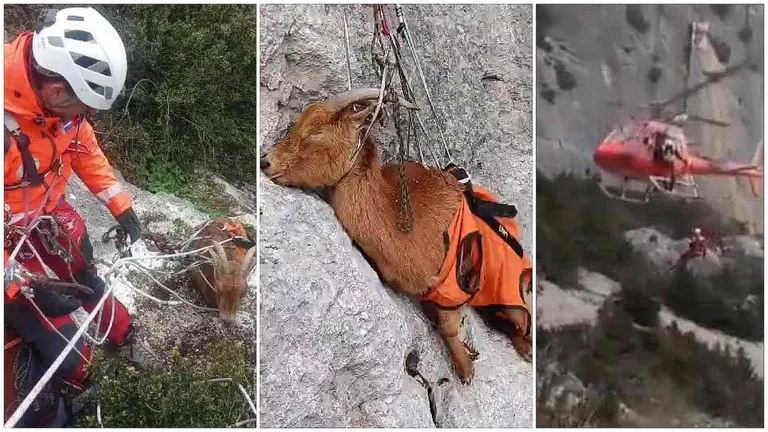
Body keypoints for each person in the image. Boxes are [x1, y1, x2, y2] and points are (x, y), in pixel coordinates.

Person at [3, 7, 148, 421]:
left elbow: (82, 146)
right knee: (64, 344)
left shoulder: (56, 112)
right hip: (8, 246)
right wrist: (21, 287)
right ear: (53, 89)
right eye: (81, 105)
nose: (84, 117)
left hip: (46, 214)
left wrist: (121, 206)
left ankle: (120, 330)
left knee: (84, 269)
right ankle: (76, 382)